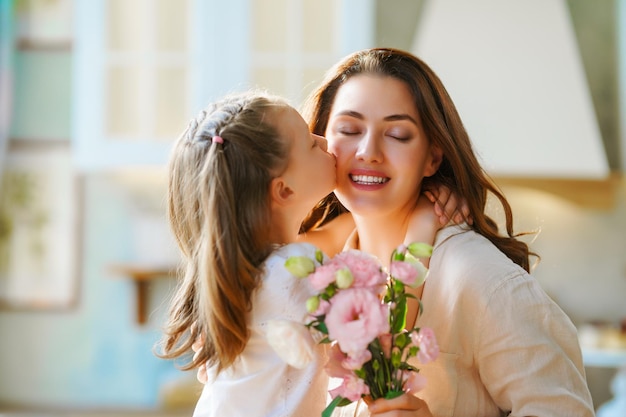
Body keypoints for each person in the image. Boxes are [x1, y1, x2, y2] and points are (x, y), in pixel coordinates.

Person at [298, 48, 595, 416]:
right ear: (322, 142)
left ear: (432, 158)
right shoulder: (323, 280)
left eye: (397, 134)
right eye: (349, 129)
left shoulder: (478, 277)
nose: (368, 151)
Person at [155, 90, 461, 416]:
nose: (326, 141)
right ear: (284, 189)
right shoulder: (289, 275)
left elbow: (332, 235)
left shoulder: (247, 272)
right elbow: (387, 327)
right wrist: (422, 224)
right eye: (310, 143)